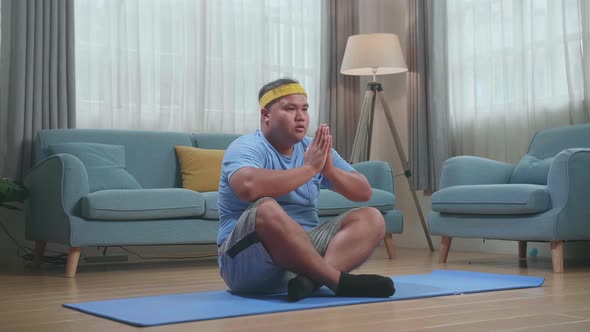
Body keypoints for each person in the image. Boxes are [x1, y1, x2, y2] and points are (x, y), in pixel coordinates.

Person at [217, 78, 395, 301]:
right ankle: (336, 281)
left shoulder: (314, 148)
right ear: (266, 116)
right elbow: (247, 187)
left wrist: (329, 170)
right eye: (290, 109)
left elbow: (363, 192)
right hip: (246, 263)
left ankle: (310, 282)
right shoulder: (247, 146)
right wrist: (310, 168)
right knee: (266, 208)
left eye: (304, 109)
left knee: (372, 217)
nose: (300, 116)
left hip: (302, 259)